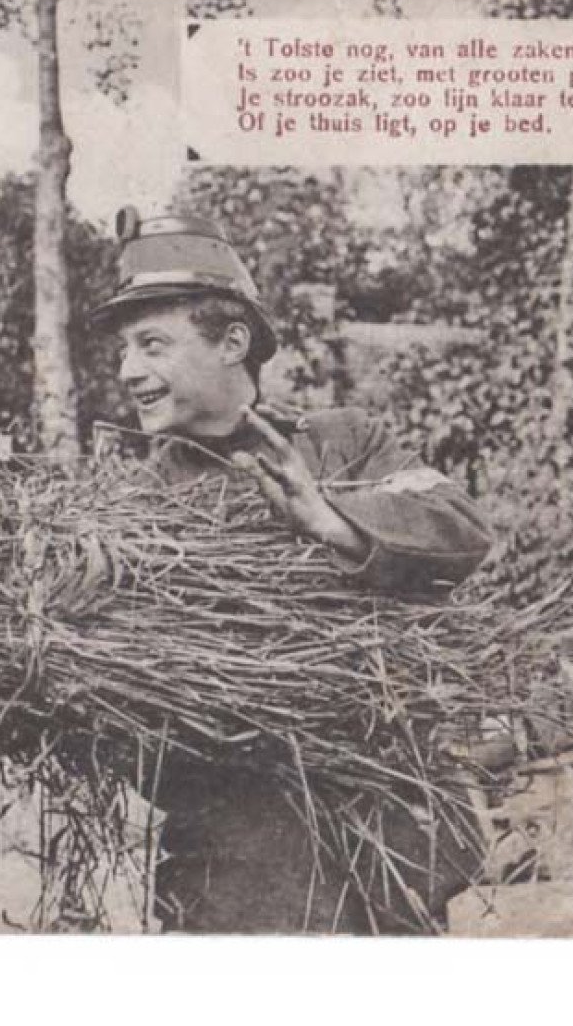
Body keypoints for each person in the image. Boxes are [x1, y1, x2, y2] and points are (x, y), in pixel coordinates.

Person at [89, 207, 495, 932]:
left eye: (152, 344)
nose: (128, 372)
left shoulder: (347, 442)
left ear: (232, 341)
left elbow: (460, 527)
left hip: (395, 858)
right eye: (123, 350)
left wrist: (330, 523)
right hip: (242, 878)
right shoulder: (131, 513)